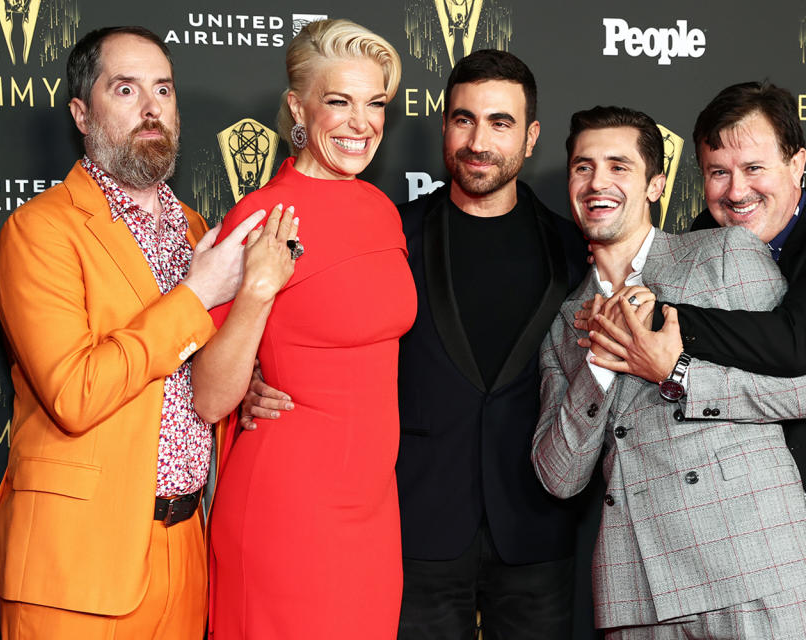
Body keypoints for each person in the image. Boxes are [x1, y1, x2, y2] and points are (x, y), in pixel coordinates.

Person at [242, 49, 589, 639]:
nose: (478, 140)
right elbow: (312, 327)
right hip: (414, 524)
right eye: (463, 119)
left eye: (500, 122)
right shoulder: (388, 231)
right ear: (444, 124)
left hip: (537, 526)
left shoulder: (574, 249)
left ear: (531, 138)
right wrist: (254, 375)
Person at [590, 81, 806, 639]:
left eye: (753, 167)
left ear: (797, 164)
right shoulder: (695, 246)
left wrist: (662, 318)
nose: (735, 190)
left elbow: (797, 342)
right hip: (735, 552)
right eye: (718, 172)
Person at [0, 26, 264, 639]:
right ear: (82, 112)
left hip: (185, 550)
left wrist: (249, 380)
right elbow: (75, 393)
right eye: (126, 89)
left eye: (163, 89)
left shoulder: (194, 229)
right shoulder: (40, 231)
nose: (152, 107)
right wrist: (196, 297)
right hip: (76, 562)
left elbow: (202, 379)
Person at [533, 105, 806, 638]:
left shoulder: (721, 253)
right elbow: (559, 476)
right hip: (637, 590)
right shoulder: (565, 325)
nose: (598, 181)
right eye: (583, 167)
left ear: (655, 185)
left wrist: (676, 369)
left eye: (618, 166)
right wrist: (602, 362)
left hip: (751, 566)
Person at [190, 19, 414, 639]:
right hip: (288, 508)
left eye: (374, 104)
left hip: (373, 510)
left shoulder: (380, 211)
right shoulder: (258, 216)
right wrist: (259, 292)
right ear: (297, 106)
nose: (359, 122)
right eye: (338, 101)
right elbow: (208, 397)